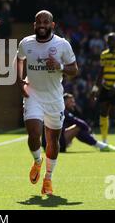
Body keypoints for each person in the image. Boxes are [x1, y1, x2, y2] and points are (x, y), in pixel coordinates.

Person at [16, 10, 78, 196]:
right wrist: (20, 81)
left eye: (45, 22)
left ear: (52, 25)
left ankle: (48, 179)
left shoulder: (62, 44)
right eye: (38, 22)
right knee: (34, 133)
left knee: (52, 140)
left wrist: (59, 66)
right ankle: (37, 161)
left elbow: (74, 69)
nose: (41, 25)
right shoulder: (26, 43)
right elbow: (19, 59)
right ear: (34, 25)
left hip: (54, 98)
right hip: (33, 94)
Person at [42, 93, 115, 152]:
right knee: (78, 127)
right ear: (64, 102)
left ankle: (100, 145)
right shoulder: (62, 111)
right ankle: (101, 146)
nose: (74, 104)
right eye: (71, 102)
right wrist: (88, 129)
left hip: (49, 144)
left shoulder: (57, 109)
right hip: (53, 145)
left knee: (78, 128)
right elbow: (77, 122)